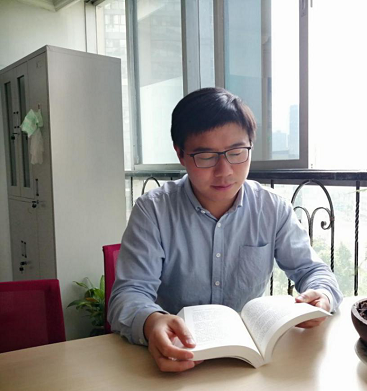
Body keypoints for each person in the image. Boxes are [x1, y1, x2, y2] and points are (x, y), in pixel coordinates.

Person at [108, 87, 343, 373]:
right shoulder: (153, 211)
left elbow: (313, 270)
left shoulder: (272, 208)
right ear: (180, 154)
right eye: (206, 156)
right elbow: (129, 293)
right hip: (178, 354)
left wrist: (321, 295)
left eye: (237, 152)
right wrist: (151, 322)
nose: (225, 171)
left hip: (248, 362)